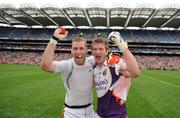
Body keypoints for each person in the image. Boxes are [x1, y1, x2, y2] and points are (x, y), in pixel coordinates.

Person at [40, 28, 97, 118]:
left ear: (86, 50)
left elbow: (107, 57)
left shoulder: (92, 61)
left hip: (90, 111)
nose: (78, 52)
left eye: (81, 48)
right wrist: (54, 39)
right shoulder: (67, 65)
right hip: (71, 112)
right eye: (75, 48)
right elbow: (46, 66)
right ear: (71, 50)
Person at [91, 32, 141, 118]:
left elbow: (135, 72)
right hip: (99, 114)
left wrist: (122, 46)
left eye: (101, 49)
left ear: (106, 51)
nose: (97, 52)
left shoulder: (114, 64)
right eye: (94, 49)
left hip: (117, 115)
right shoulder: (94, 68)